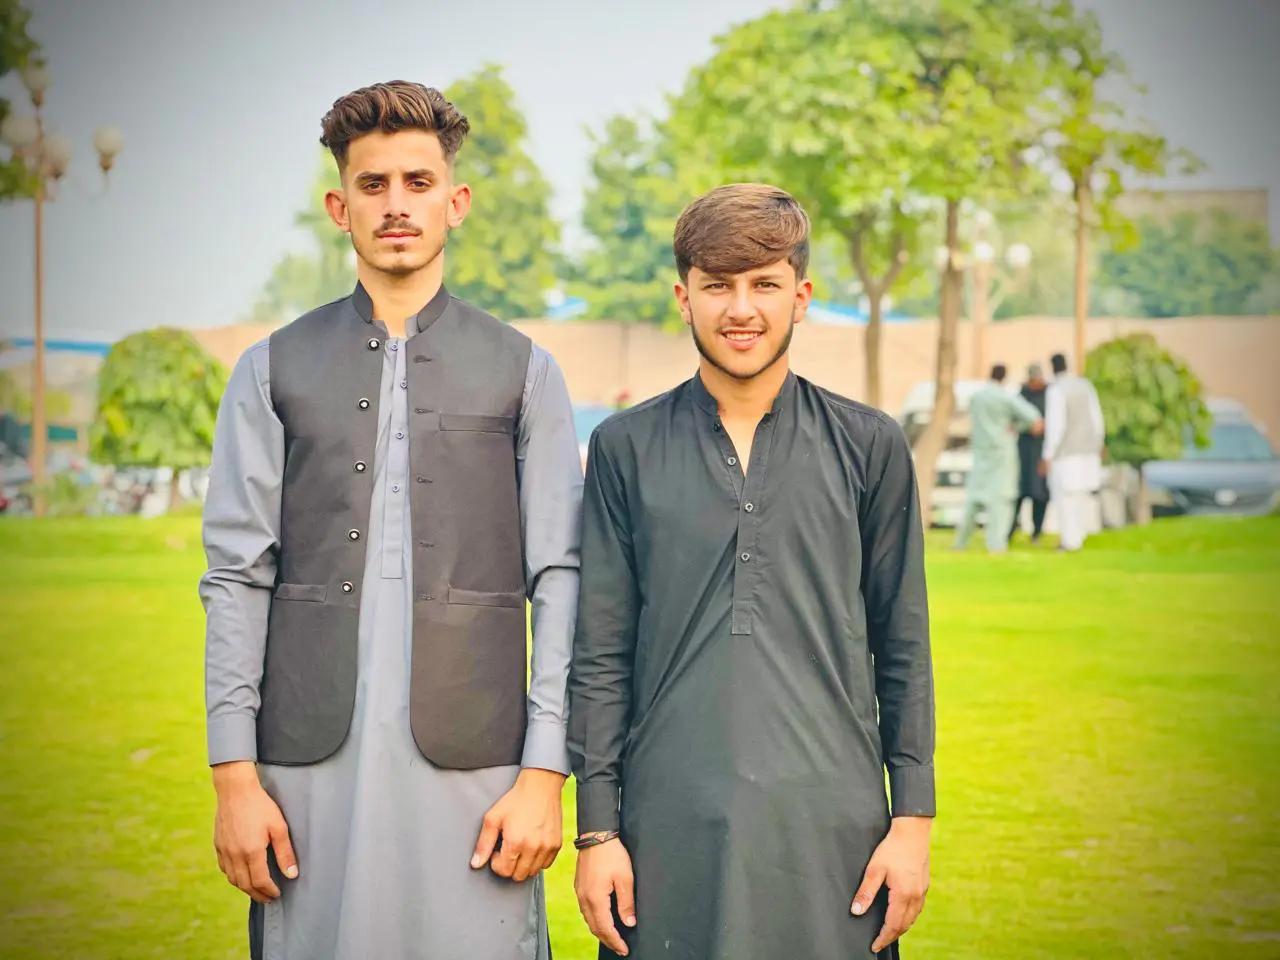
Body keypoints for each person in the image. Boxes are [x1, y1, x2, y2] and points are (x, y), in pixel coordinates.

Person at [199, 81, 583, 960]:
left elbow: (562, 579)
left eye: (418, 182)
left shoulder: (527, 372)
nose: (396, 204)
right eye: (373, 185)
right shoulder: (270, 369)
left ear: (457, 201)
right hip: (304, 771)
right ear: (340, 207)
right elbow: (236, 577)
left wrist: (543, 775)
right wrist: (234, 781)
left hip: (482, 770)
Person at [568, 184, 935, 960]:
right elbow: (599, 654)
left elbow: (903, 649)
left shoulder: (870, 446)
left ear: (801, 296)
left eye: (764, 284)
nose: (741, 309)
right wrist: (597, 830)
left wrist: (912, 822)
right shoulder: (624, 450)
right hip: (666, 826)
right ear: (684, 298)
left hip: (833, 830)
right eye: (717, 286)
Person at [953, 363, 1043, 553]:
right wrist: (1017, 427)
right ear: (1004, 378)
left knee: (973, 500)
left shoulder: (976, 397)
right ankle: (996, 544)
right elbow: (1034, 418)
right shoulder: (1006, 397)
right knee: (1001, 502)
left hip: (980, 452)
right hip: (1002, 453)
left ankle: (960, 543)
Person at [1042, 351, 1106, 552]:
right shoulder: (1085, 386)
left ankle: (1070, 541)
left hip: (1066, 455)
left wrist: (1047, 455)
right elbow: (1097, 421)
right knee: (1080, 497)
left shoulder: (1056, 390)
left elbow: (1056, 427)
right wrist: (1098, 444)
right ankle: (1077, 536)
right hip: (1088, 452)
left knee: (1065, 499)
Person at [1009, 363, 1050, 542]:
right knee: (1017, 493)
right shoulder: (1022, 395)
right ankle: (1009, 531)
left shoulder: (1049, 395)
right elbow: (1012, 422)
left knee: (1040, 494)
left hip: (1041, 450)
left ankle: (1037, 532)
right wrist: (1027, 427)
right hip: (1023, 451)